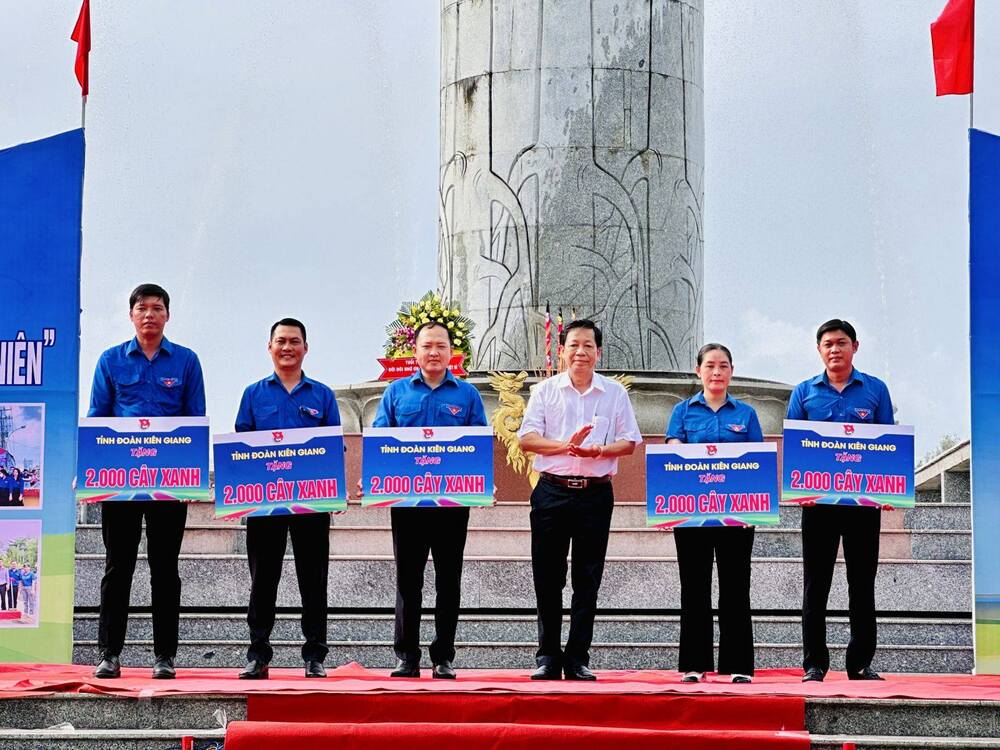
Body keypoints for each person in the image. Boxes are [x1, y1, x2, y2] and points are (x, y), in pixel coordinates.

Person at [88, 283, 206, 680]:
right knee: (117, 567)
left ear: (167, 315)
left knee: (165, 569)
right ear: (131, 315)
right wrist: (89, 472)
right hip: (120, 482)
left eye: (157, 308)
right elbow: (98, 417)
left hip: (169, 483)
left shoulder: (187, 361)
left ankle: (164, 656)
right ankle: (109, 653)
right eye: (142, 308)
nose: (149, 314)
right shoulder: (110, 360)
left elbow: (194, 419)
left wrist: (193, 478)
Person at [518, 319, 642, 680]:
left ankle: (577, 658)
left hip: (595, 493)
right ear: (561, 351)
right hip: (552, 491)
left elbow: (629, 442)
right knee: (548, 577)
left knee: (587, 578)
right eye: (573, 345)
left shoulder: (614, 393)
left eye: (588, 345)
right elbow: (527, 439)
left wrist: (598, 451)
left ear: (598, 352)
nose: (581, 352)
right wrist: (566, 446)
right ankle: (547, 656)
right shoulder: (545, 391)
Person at [369, 321, 488, 679]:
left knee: (449, 580)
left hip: (452, 504)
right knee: (409, 580)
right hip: (407, 504)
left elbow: (479, 444)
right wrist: (373, 474)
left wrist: (483, 480)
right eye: (427, 346)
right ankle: (407, 656)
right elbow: (380, 440)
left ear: (451, 351)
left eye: (440, 346)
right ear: (415, 351)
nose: (433, 352)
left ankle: (443, 656)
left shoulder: (467, 395)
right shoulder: (396, 393)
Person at [788, 319, 894, 683]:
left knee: (862, 584)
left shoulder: (875, 390)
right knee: (815, 585)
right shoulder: (804, 392)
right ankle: (814, 664)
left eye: (842, 342)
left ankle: (860, 663)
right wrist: (799, 489)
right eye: (828, 344)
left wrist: (888, 490)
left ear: (855, 347)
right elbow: (795, 445)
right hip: (818, 506)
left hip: (863, 505)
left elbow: (888, 443)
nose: (835, 349)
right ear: (819, 350)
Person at [235, 318, 341, 680]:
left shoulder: (322, 395)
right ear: (269, 347)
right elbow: (241, 449)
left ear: (305, 348)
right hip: (264, 505)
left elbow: (333, 447)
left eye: (294, 341)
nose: (287, 347)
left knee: (314, 581)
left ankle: (315, 655)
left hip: (311, 505)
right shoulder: (253, 394)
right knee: (263, 581)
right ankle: (258, 654)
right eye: (280, 341)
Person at [665, 343, 762, 684]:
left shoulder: (746, 414)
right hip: (692, 513)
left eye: (723, 366)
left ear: (731, 371)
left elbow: (758, 460)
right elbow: (672, 452)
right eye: (710, 365)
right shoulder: (682, 412)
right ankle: (694, 663)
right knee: (694, 587)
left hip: (737, 514)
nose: (716, 372)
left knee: (736, 587)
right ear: (698, 371)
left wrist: (756, 509)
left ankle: (738, 664)